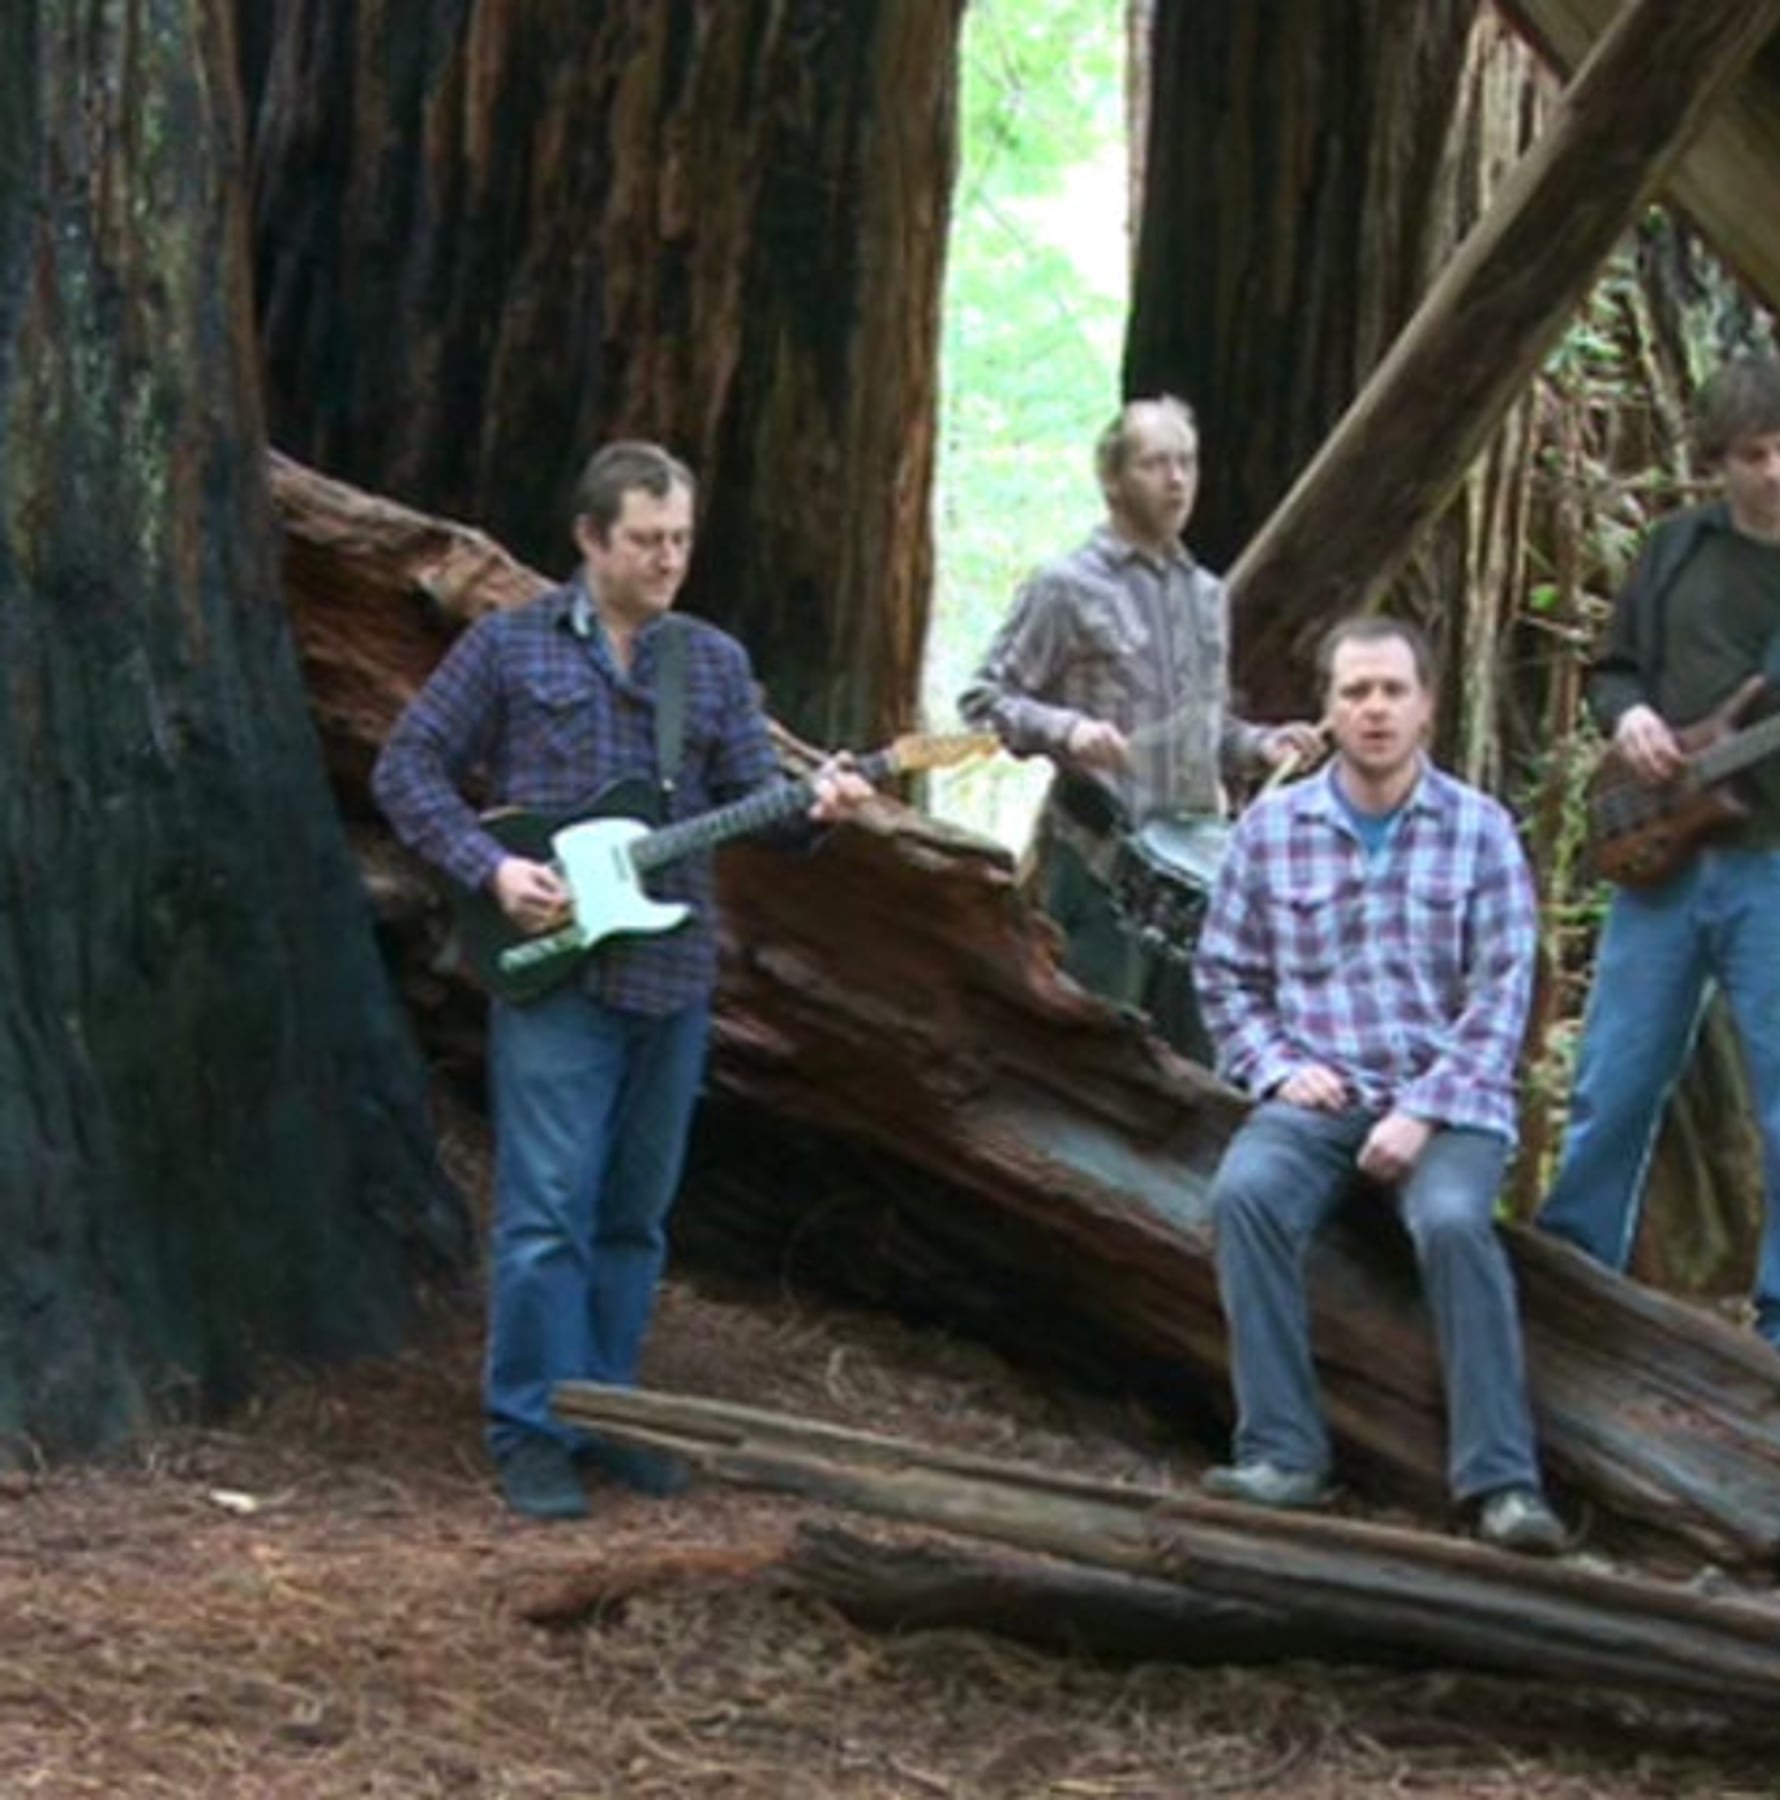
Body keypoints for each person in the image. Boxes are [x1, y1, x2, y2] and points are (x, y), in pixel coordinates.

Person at [373, 441, 871, 1521]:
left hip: (673, 973)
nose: (669, 560)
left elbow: (758, 804)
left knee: (634, 1217)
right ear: (590, 539)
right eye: (646, 540)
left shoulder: (712, 663)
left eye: (681, 539)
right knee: (547, 1211)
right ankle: (529, 1429)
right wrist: (491, 869)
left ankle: (611, 1415)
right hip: (556, 974)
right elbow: (405, 768)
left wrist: (819, 809)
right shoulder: (508, 647)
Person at [1536, 352, 1780, 1349]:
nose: (1774, 472)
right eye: (1752, 455)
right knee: (1617, 1075)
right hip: (1665, 858)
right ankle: (1570, 1272)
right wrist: (1631, 721)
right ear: (1718, 462)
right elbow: (1615, 672)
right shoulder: (1675, 552)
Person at [1192, 614, 1567, 1555]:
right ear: (1328, 708)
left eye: (1393, 690)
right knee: (1245, 1196)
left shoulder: (1480, 830)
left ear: (1427, 705)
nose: (1374, 709)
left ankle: (1502, 1485)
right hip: (1320, 1093)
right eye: (1354, 691)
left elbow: (1503, 994)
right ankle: (1283, 1454)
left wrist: (1423, 1110)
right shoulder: (1272, 830)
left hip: (1449, 1100)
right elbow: (1225, 977)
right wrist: (1280, 1068)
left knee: (1453, 1223)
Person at [960, 396, 1318, 1058]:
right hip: (1099, 868)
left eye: (1187, 463)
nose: (1177, 480)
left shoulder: (1205, 596)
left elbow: (1206, 729)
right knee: (1094, 1061)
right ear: (1112, 480)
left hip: (1199, 880)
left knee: (1199, 1068)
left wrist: (1262, 744)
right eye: (1155, 464)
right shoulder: (1063, 587)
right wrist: (1067, 730)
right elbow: (984, 699)